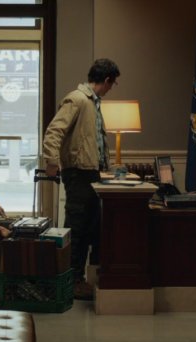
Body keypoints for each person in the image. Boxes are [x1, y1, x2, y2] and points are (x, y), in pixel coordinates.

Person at [42, 58, 120, 300]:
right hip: (78, 172)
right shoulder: (77, 99)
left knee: (88, 227)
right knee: (77, 227)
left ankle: (78, 278)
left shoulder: (91, 103)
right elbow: (55, 130)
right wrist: (52, 161)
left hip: (90, 171)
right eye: (112, 83)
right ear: (107, 80)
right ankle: (72, 280)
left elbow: (93, 138)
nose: (110, 88)